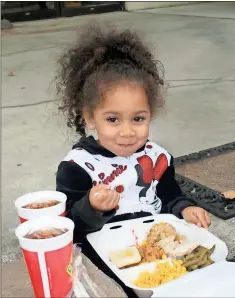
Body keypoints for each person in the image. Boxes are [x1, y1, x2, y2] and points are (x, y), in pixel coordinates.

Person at [55, 23, 210, 296]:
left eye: (138, 119)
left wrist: (185, 207)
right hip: (107, 259)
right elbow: (71, 229)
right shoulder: (77, 167)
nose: (127, 132)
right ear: (89, 117)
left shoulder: (157, 157)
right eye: (112, 119)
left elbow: (168, 192)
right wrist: (92, 206)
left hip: (156, 250)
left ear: (151, 114)